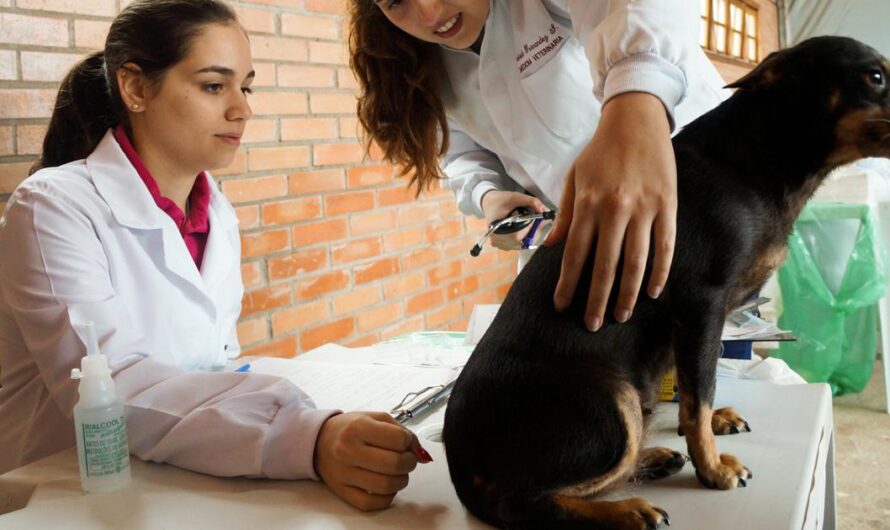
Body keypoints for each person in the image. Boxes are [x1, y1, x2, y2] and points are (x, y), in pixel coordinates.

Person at [0, 0, 429, 512]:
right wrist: (308, 438)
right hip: (62, 490)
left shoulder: (216, 213)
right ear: (136, 88)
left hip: (178, 479)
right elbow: (111, 391)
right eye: (213, 85)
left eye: (244, 86)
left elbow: (214, 363)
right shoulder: (53, 207)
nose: (242, 109)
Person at [349, 0, 730, 332]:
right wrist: (489, 196)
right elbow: (459, 151)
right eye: (395, 1)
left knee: (717, 351)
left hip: (710, 196)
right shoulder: (420, 60)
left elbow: (634, 7)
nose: (430, 12)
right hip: (588, 243)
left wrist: (638, 98)